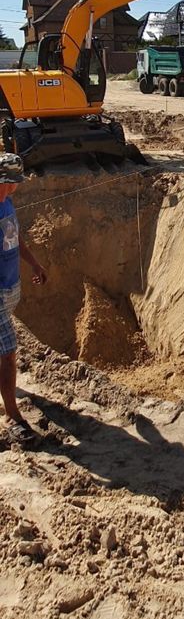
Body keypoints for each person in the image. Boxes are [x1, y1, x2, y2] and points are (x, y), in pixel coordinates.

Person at [0, 153, 47, 444]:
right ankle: (12, 416)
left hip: (9, 287)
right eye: (16, 181)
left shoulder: (7, 202)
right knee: (8, 352)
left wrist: (34, 264)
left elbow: (15, 239)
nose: (19, 186)